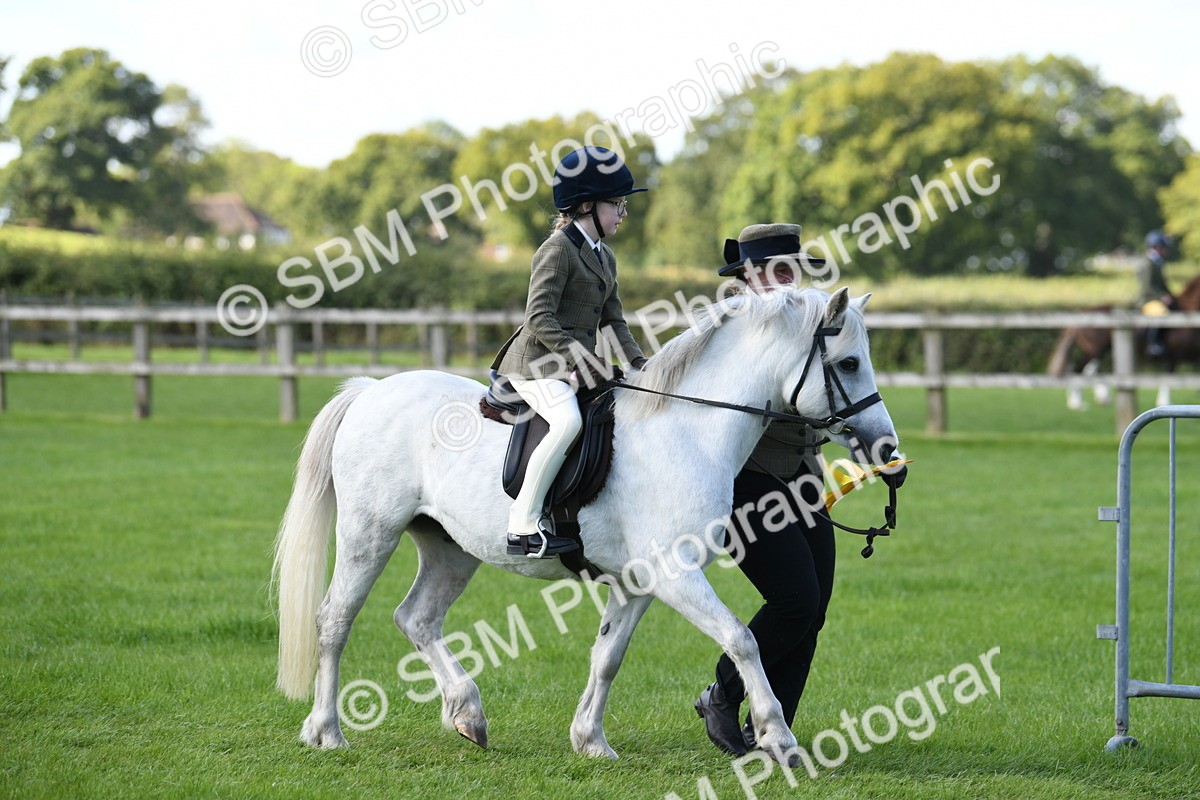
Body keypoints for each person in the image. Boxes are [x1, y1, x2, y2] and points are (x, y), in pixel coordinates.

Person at [692, 223, 905, 755]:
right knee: (794, 598)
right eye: (775, 271)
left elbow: (841, 396)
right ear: (748, 277)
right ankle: (723, 690)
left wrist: (879, 452)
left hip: (804, 478)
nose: (788, 281)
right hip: (743, 480)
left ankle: (770, 729)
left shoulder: (814, 317)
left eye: (793, 269)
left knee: (815, 608)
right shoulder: (730, 331)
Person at [492, 146, 648, 559]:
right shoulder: (557, 249)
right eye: (616, 204)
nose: (622, 213)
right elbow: (538, 318)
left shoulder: (605, 256)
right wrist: (586, 359)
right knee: (567, 422)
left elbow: (614, 321)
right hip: (535, 365)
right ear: (585, 206)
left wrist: (640, 365)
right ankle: (522, 524)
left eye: (623, 204)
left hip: (573, 364)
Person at [1138, 230, 1175, 358]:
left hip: (1157, 298)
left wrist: (1172, 296)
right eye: (1163, 247)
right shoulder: (1147, 263)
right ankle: (1152, 344)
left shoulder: (1158, 262)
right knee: (1160, 313)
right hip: (1149, 300)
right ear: (1157, 247)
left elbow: (1163, 285)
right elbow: (1147, 287)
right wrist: (1162, 296)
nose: (1165, 250)